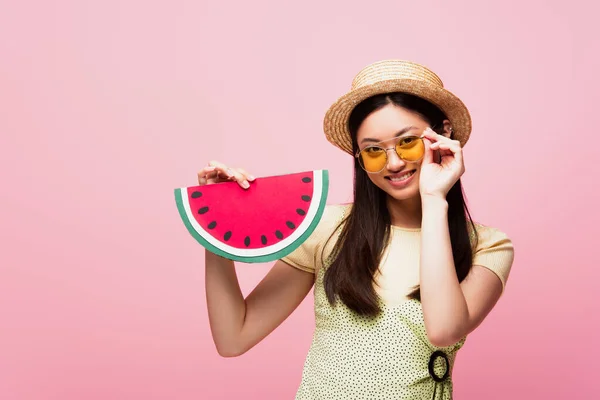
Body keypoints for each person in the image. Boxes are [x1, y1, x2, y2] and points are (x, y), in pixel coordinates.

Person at [197, 60, 515, 399]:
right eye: (374, 151)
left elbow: (444, 329)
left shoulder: (488, 246)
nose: (393, 163)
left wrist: (435, 198)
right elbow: (234, 338)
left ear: (444, 133)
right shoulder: (328, 229)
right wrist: (215, 226)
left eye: (408, 142)